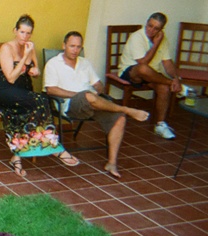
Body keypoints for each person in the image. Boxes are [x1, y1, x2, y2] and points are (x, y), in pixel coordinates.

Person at [44, 31, 150, 178]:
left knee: (119, 118)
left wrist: (98, 89)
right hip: (70, 105)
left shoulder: (85, 63)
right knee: (88, 96)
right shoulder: (53, 64)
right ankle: (127, 109)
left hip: (93, 102)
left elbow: (98, 85)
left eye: (78, 47)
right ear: (64, 45)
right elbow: (50, 89)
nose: (75, 50)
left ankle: (112, 162)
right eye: (72, 46)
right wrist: (81, 95)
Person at [0, 15, 79, 178]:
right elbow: (11, 78)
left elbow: (36, 71)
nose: (25, 36)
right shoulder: (6, 48)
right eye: (22, 32)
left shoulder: (30, 47)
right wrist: (25, 56)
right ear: (15, 31)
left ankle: (17, 156)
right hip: (2, 91)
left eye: (28, 33)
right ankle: (54, 147)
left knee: (37, 102)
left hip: (21, 91)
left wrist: (35, 70)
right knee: (39, 100)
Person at [118, 12, 182, 140]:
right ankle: (171, 83)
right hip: (131, 72)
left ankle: (160, 125)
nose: (151, 30)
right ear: (146, 23)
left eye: (156, 28)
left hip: (151, 74)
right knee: (143, 69)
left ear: (161, 29)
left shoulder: (163, 40)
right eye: (149, 25)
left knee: (163, 88)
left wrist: (175, 77)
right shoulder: (137, 37)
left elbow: (167, 62)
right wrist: (156, 44)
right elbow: (143, 63)